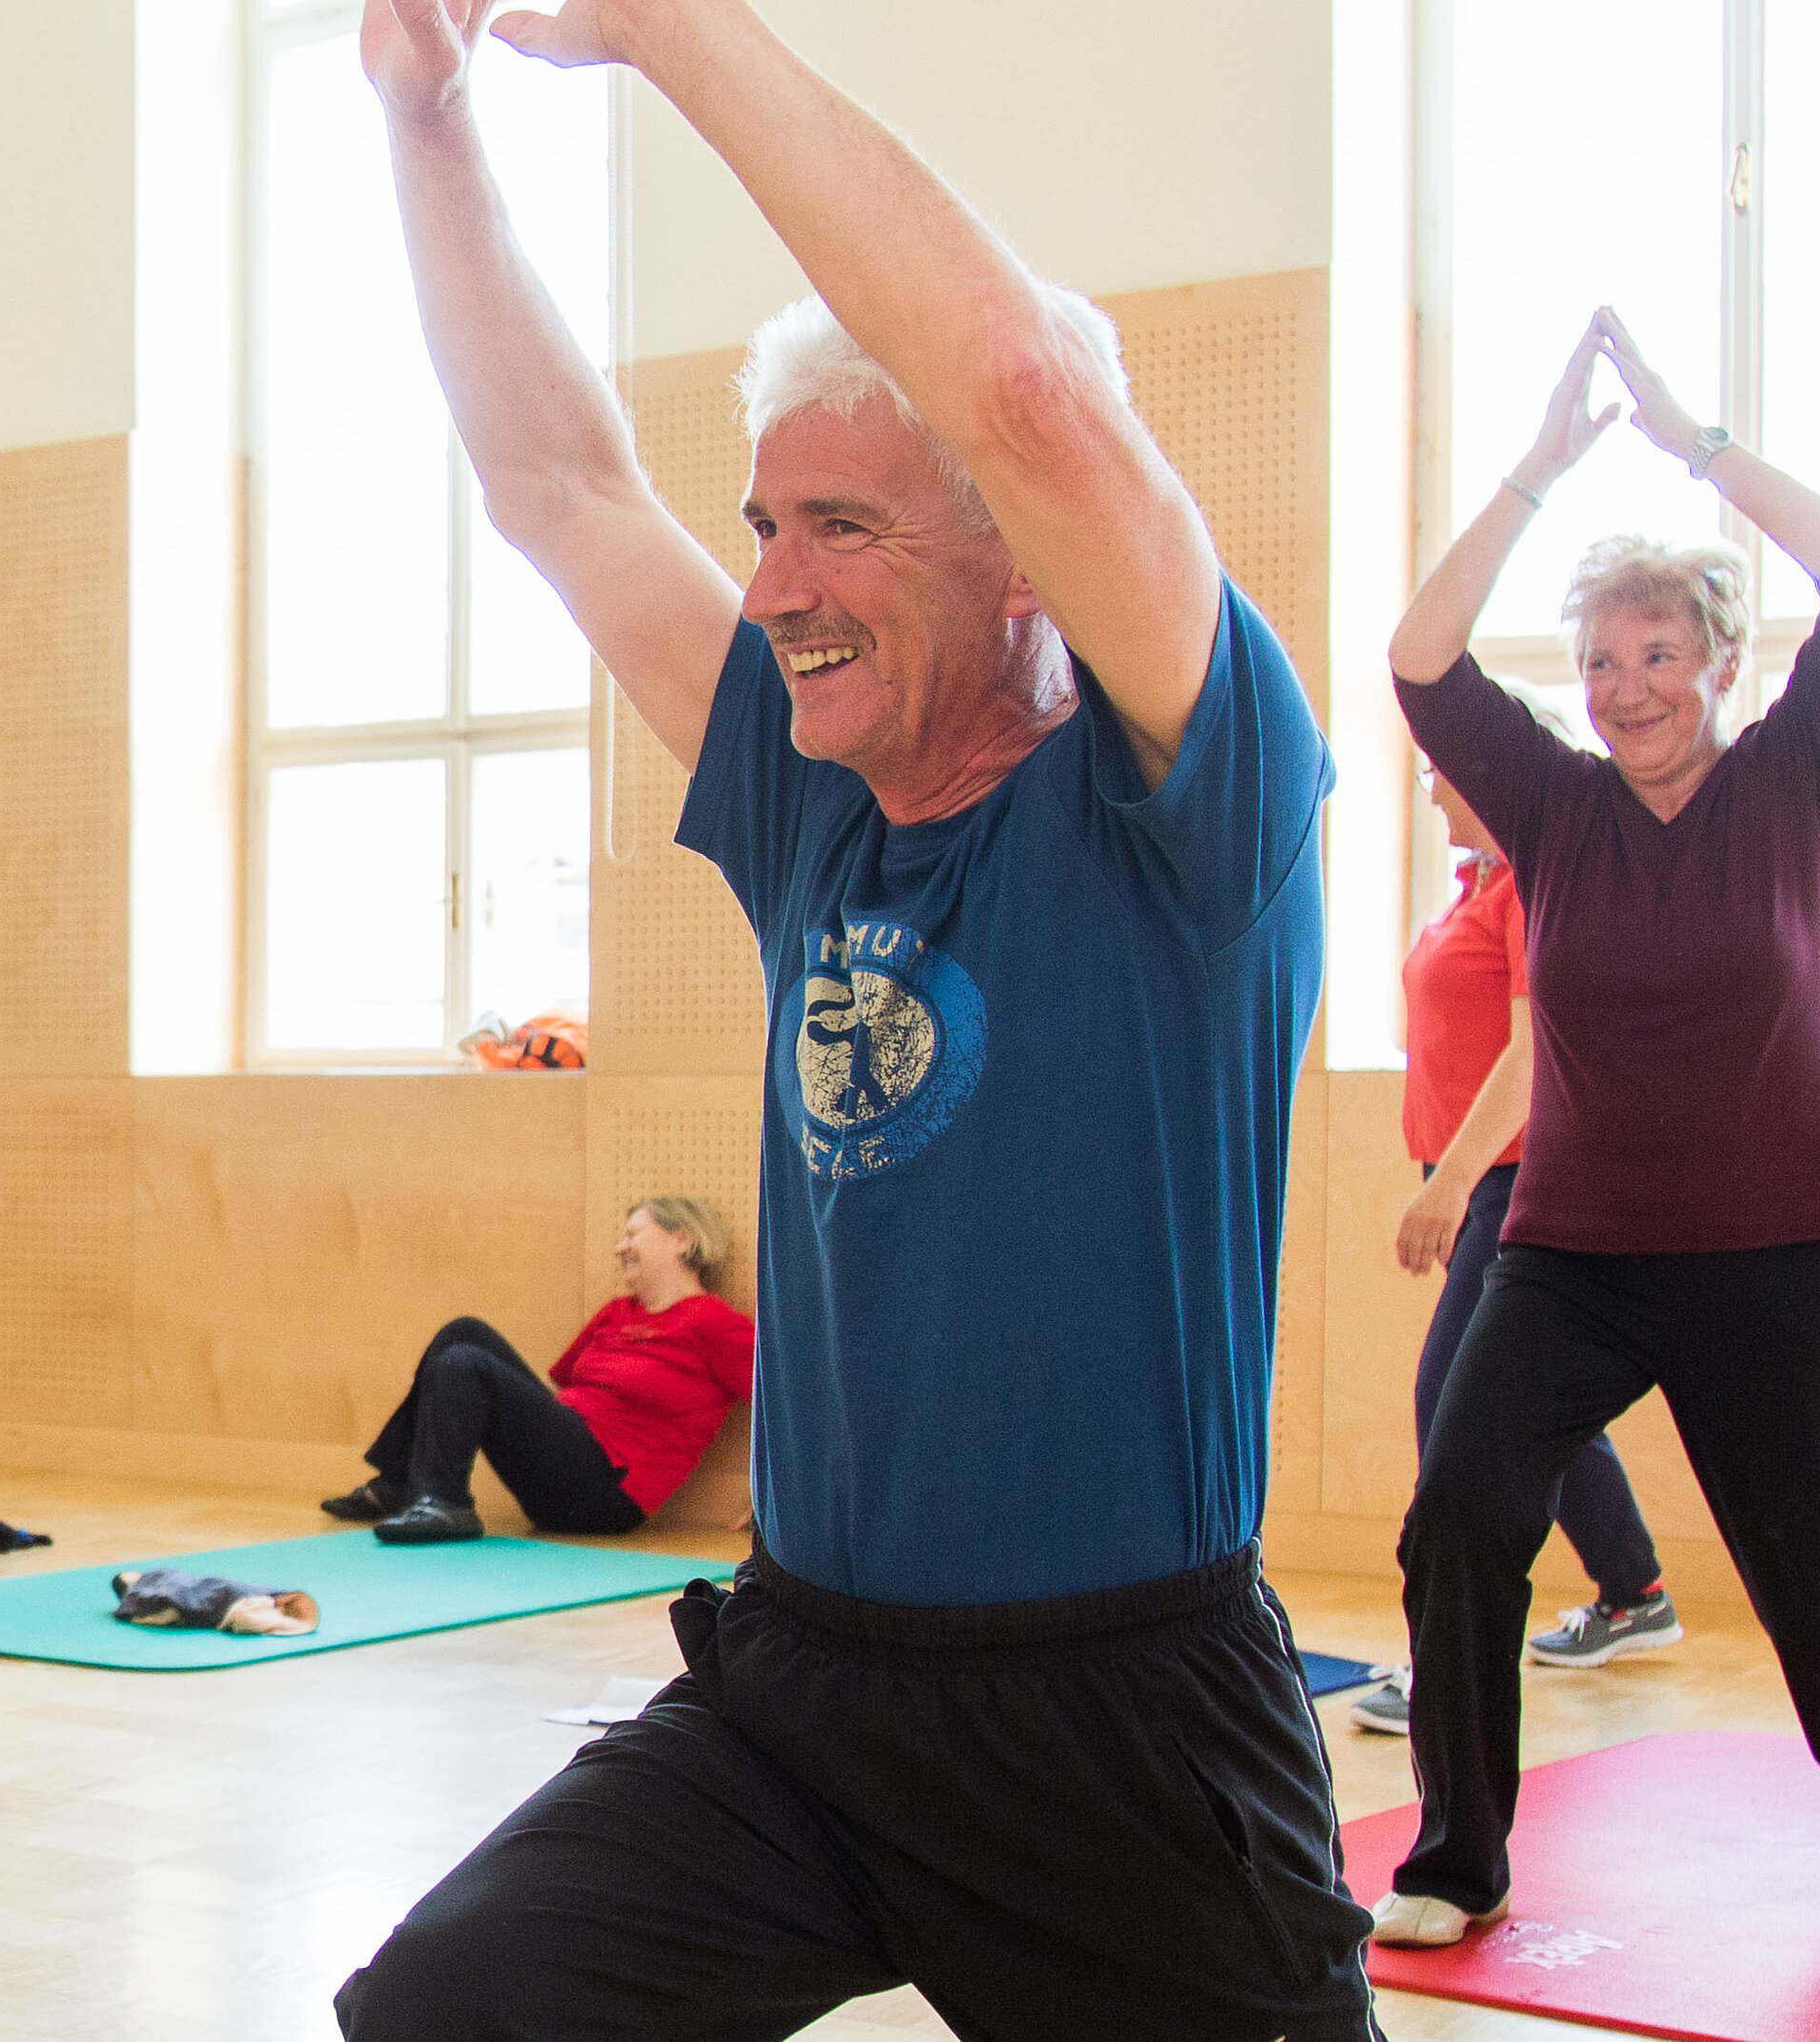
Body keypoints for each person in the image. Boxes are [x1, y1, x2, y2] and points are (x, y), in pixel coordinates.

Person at [328, 3, 1369, 2034]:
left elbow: (1022, 391)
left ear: (1014, 574)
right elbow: (554, 482)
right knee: (449, 2009)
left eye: (846, 528)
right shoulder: (814, 801)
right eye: (764, 522)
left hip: (1119, 1727)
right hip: (805, 1700)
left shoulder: (1190, 798)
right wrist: (427, 117)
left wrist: (665, 34)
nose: (775, 582)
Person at [1371, 312, 1820, 1946]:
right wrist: (1533, 469)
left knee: (1812, 1575)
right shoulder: (1556, 810)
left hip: (1781, 1254)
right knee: (1460, 1516)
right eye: (1601, 662)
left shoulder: (1797, 776)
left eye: (1659, 654)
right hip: (1574, 1256)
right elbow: (1421, 660)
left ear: (1720, 664)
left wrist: (1691, 438)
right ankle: (1458, 1856)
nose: (1628, 686)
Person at [1345, 762, 1669, 1738]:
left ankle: (1441, 1660)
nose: (1435, 793)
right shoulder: (1474, 889)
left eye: (1447, 777)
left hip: (1514, 1178)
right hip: (1470, 1173)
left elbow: (1537, 1053)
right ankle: (1633, 1592)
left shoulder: (1535, 884)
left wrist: (1452, 1184)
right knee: (1527, 1404)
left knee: (1455, 1404)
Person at [322, 1197, 753, 1545]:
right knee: (463, 1332)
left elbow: (789, 1405)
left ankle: (444, 1501)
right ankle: (403, 1483)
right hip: (562, 1463)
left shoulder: (712, 1322)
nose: (620, 1248)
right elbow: (552, 1390)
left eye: (632, 1233)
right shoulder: (617, 1313)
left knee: (464, 1363)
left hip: (607, 1492)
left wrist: (780, 1498)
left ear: (681, 1240)